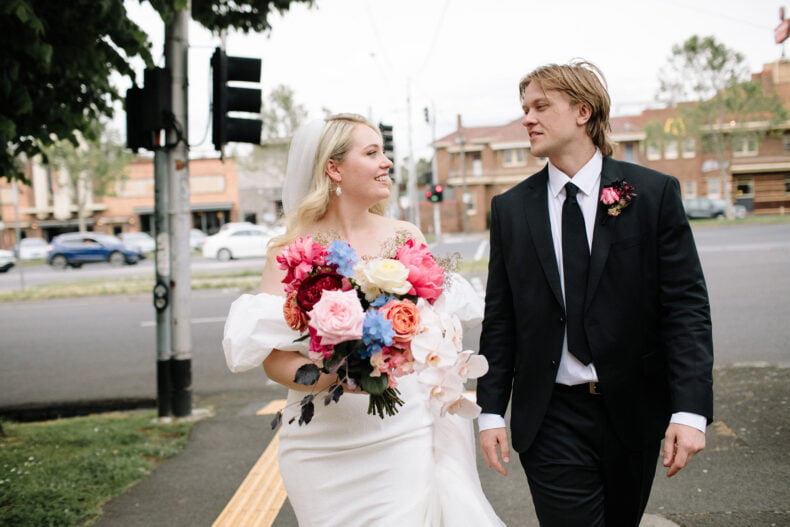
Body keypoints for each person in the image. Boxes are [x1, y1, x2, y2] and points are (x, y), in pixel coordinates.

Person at [222, 113, 504, 526]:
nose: (386, 162)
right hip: (319, 448)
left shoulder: (405, 237)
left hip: (401, 436)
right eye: (372, 153)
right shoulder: (291, 250)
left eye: (384, 152)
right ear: (334, 168)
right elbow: (272, 359)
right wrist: (338, 374)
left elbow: (437, 334)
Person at [476, 61, 714, 526]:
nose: (527, 119)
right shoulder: (511, 209)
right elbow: (501, 318)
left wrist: (690, 410)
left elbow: (685, 307)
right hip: (550, 415)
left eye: (540, 106)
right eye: (525, 109)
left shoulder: (652, 194)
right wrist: (490, 412)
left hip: (634, 411)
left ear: (583, 112)